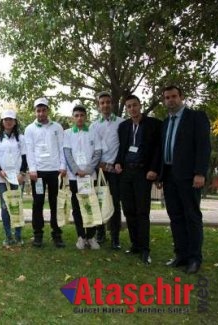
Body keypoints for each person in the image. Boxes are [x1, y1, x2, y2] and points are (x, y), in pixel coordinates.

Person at [160, 85, 211, 274]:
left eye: (174, 96)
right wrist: (160, 174)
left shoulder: (196, 117)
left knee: (192, 217)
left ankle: (194, 259)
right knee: (175, 217)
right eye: (167, 97)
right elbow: (163, 150)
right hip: (169, 176)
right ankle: (181, 255)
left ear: (181, 97)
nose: (170, 100)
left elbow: (203, 146)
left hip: (189, 176)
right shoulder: (166, 122)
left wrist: (200, 173)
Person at [114, 95, 162, 265]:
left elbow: (158, 150)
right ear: (126, 109)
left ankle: (145, 249)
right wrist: (118, 163)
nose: (132, 109)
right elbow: (122, 148)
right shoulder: (124, 126)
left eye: (134, 105)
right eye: (129, 106)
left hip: (143, 173)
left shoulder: (154, 125)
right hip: (126, 173)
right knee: (128, 210)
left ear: (140, 105)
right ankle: (135, 244)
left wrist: (154, 169)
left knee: (142, 212)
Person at [24, 97, 66, 248]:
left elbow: (62, 147)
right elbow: (29, 151)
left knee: (56, 203)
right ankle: (38, 234)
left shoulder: (57, 127)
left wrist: (62, 166)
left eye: (43, 110)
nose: (41, 113)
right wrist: (33, 169)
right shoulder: (30, 129)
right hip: (39, 173)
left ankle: (57, 233)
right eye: (38, 110)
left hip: (55, 171)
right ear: (35, 112)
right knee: (38, 203)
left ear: (48, 110)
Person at [63, 105, 102, 250]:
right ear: (73, 118)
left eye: (82, 115)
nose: (79, 118)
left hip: (90, 177)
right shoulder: (67, 133)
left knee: (90, 205)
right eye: (76, 115)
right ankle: (81, 236)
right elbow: (67, 153)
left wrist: (88, 170)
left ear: (86, 117)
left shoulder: (93, 132)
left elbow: (97, 153)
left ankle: (91, 237)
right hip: (75, 177)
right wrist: (76, 170)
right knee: (77, 207)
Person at [89, 91, 124, 249]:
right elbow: (91, 149)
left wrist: (117, 163)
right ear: (98, 105)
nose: (105, 105)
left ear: (112, 104)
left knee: (115, 204)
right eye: (102, 103)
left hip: (115, 171)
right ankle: (100, 232)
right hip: (98, 170)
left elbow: (123, 147)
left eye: (108, 102)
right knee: (98, 202)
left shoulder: (122, 123)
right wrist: (97, 164)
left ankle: (115, 236)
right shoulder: (93, 125)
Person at [0, 110, 27, 246]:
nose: (8, 121)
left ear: (15, 122)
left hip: (17, 178)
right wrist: (0, 172)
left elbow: (25, 157)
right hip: (2, 179)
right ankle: (8, 236)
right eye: (6, 119)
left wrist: (22, 174)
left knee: (16, 205)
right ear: (2, 122)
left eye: (11, 119)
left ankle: (18, 236)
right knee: (5, 206)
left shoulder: (21, 138)